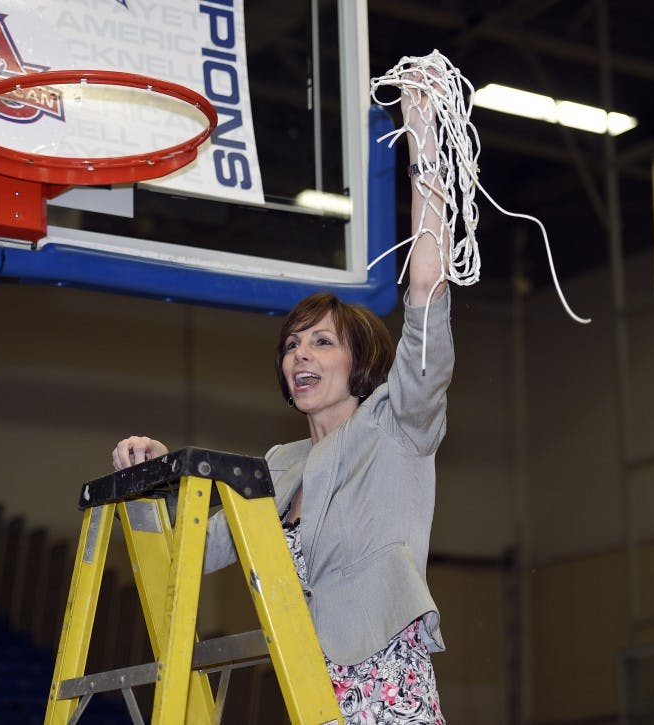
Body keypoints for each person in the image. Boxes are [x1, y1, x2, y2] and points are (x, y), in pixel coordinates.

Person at [113, 80, 452, 724]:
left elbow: (428, 291)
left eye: (322, 342)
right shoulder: (279, 463)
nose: (300, 355)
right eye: (292, 344)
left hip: (384, 685)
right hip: (307, 686)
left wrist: (424, 145)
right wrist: (155, 478)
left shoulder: (397, 427)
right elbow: (194, 553)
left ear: (362, 361)